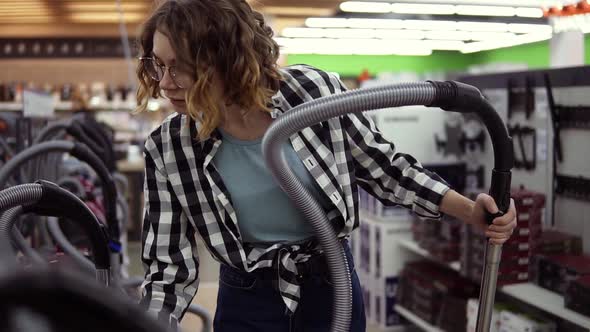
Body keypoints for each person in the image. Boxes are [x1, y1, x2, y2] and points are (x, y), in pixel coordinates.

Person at [135, 1, 518, 331]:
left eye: (180, 66)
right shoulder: (169, 147)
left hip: (330, 284)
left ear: (225, 58)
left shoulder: (312, 93)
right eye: (158, 65)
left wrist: (469, 211)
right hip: (247, 297)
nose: (165, 83)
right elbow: (168, 268)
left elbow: (384, 167)